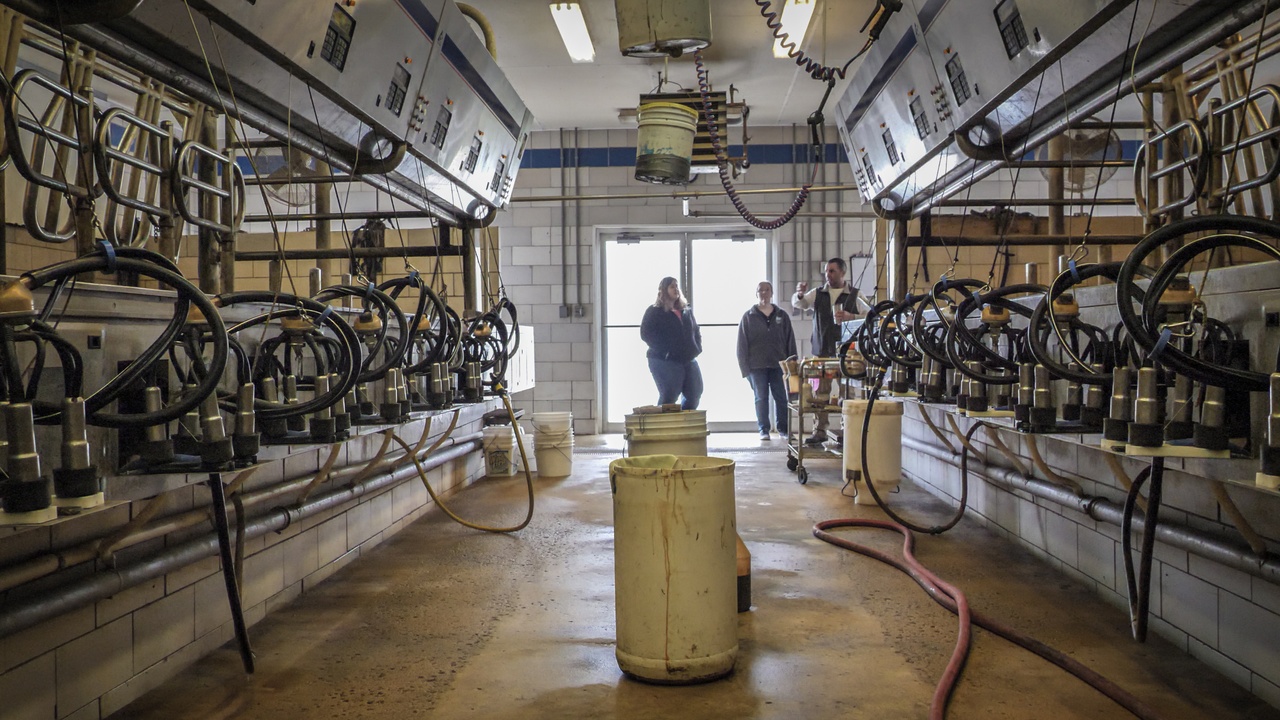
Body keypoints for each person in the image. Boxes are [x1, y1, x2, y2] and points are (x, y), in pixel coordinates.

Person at [792, 257, 859, 444]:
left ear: (842, 272)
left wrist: (851, 316)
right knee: (820, 393)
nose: (828, 275)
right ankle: (819, 430)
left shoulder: (854, 294)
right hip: (821, 350)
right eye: (826, 271)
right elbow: (800, 304)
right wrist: (799, 294)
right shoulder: (818, 293)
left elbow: (869, 314)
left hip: (846, 353)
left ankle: (848, 430)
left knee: (847, 392)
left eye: (832, 271)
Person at [737, 281, 797, 440]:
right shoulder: (748, 317)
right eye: (760, 290)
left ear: (772, 293)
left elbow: (790, 340)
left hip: (779, 366)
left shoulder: (782, 315)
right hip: (756, 367)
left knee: (781, 398)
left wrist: (793, 365)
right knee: (761, 398)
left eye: (767, 290)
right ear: (756, 294)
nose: (764, 293)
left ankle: (783, 429)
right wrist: (745, 370)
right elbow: (741, 345)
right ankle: (763, 429)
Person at [640, 277, 703, 409]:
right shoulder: (654, 311)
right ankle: (663, 421)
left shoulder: (686, 310)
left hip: (688, 358)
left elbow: (695, 330)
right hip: (664, 360)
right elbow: (646, 334)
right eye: (672, 286)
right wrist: (666, 350)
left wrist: (697, 347)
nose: (676, 289)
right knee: (670, 394)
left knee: (695, 393)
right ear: (664, 290)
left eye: (676, 286)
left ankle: (684, 420)